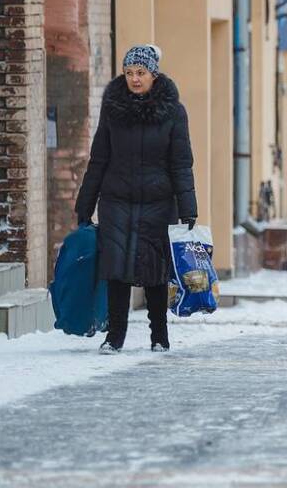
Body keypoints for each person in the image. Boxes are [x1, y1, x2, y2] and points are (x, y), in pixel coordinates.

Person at [75, 45, 197, 355]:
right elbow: (99, 158)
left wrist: (188, 208)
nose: (135, 79)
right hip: (116, 199)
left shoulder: (173, 111)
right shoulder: (113, 109)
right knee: (117, 269)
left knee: (154, 271)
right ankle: (114, 337)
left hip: (158, 201)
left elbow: (181, 163)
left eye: (141, 73)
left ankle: (159, 335)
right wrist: (85, 204)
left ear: (154, 74)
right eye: (129, 73)